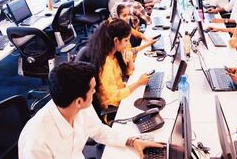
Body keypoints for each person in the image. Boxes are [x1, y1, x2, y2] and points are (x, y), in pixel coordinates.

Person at [18, 62, 164, 158]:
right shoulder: (36, 142)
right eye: (93, 89)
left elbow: (98, 130)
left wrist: (132, 141)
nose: (95, 92)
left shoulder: (78, 108)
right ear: (79, 101)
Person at [87, 19, 151, 118]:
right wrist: (138, 83)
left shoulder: (115, 54)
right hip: (115, 108)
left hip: (123, 96)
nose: (127, 43)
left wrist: (130, 61)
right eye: (126, 40)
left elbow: (129, 72)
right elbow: (115, 97)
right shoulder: (106, 64)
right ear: (116, 40)